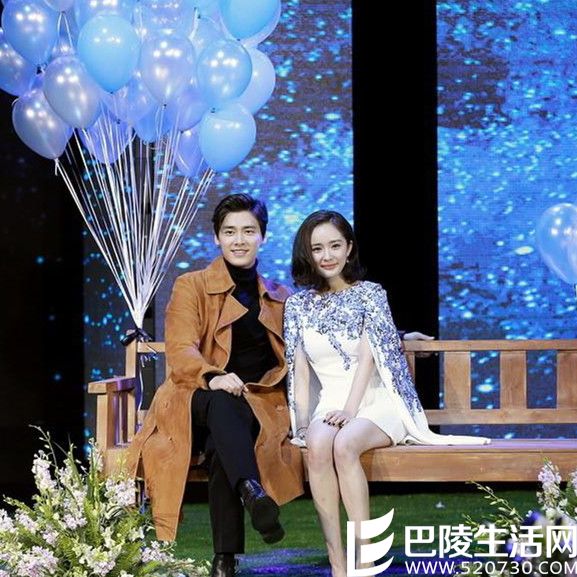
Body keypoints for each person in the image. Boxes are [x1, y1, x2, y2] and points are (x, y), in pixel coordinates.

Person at [283, 210, 489, 577]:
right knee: (316, 445)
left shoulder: (371, 294)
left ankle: (364, 560)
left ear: (349, 248)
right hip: (330, 403)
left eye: (335, 246)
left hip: (376, 401)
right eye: (317, 248)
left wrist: (350, 411)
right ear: (307, 253)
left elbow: (368, 359)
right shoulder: (297, 305)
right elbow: (298, 370)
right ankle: (337, 562)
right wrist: (299, 423)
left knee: (345, 444)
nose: (327, 255)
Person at [128, 194, 304, 577]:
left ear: (263, 237)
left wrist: (399, 336)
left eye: (248, 231)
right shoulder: (190, 285)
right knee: (223, 403)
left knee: (224, 440)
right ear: (216, 238)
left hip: (253, 407)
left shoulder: (280, 297)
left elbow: (325, 337)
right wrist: (212, 375)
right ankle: (252, 492)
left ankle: (226, 555)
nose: (239, 240)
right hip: (193, 399)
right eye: (230, 232)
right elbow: (180, 348)